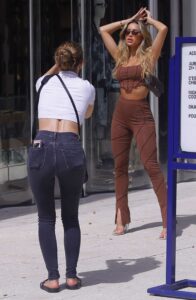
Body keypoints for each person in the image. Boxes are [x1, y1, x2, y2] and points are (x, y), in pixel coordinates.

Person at [27, 41, 95, 292]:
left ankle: (53, 278)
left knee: (45, 217)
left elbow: (47, 75)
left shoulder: (43, 82)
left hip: (41, 145)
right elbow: (87, 114)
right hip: (70, 145)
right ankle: (73, 276)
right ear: (81, 63)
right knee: (71, 216)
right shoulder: (87, 87)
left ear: (58, 62)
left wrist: (57, 64)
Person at [99, 8, 168, 239]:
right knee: (119, 167)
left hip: (141, 115)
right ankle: (121, 218)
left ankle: (167, 220)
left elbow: (164, 29)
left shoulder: (149, 57)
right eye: (127, 32)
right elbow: (103, 30)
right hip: (120, 114)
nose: (129, 35)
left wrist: (148, 21)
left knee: (151, 165)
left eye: (134, 33)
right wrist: (127, 19)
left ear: (142, 37)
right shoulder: (120, 56)